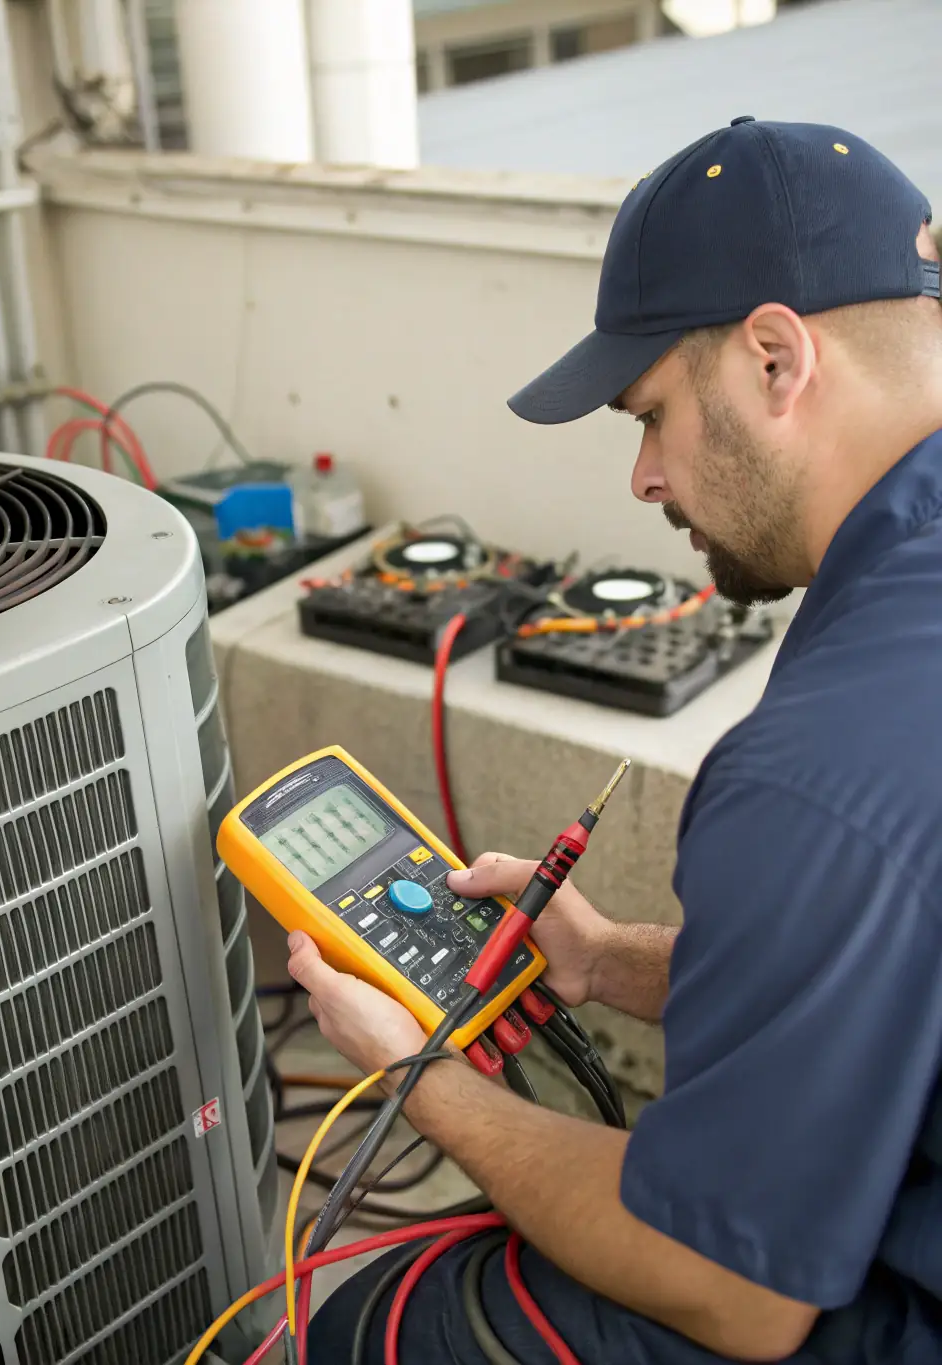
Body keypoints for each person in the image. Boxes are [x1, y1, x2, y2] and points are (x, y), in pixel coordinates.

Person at [291, 117, 942, 1363]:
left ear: (771, 359)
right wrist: (603, 961)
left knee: (384, 1322)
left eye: (648, 413)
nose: (643, 479)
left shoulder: (812, 771)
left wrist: (423, 1082)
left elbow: (733, 1293)